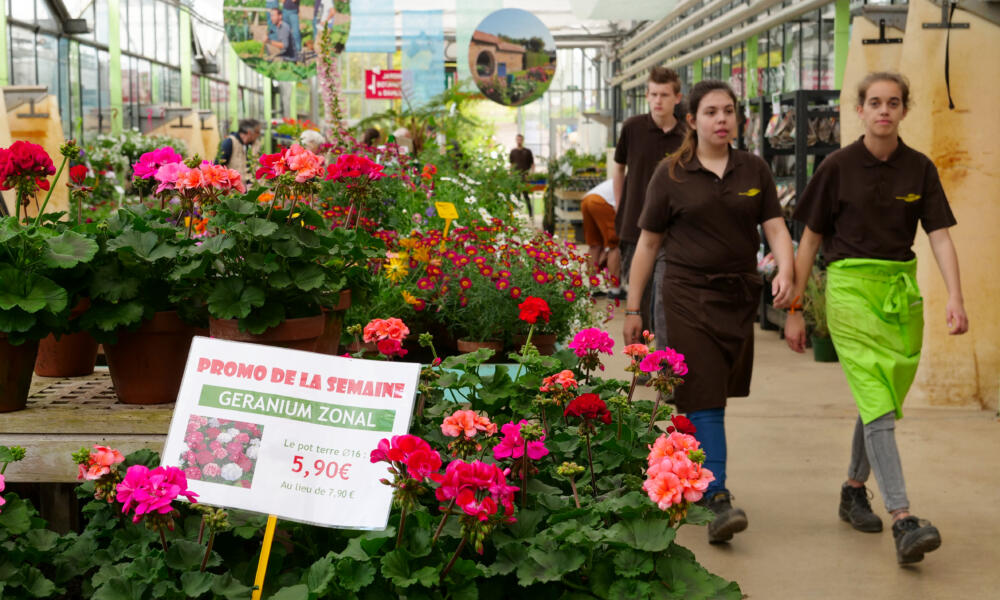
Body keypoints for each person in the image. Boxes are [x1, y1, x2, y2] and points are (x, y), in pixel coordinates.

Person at [783, 72, 968, 565]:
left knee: (881, 398)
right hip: (849, 293)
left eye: (893, 102)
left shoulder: (920, 169)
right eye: (874, 102)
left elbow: (941, 236)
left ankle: (851, 488)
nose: (883, 110)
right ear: (859, 110)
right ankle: (903, 517)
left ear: (904, 110)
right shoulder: (837, 167)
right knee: (878, 403)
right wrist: (796, 310)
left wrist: (955, 297)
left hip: (899, 295)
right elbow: (810, 241)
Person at [623, 80, 795, 544]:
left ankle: (679, 477)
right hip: (683, 296)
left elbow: (776, 228)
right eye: (712, 112)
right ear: (693, 120)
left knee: (711, 393)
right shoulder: (671, 174)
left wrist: (787, 270)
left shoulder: (753, 170)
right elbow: (649, 244)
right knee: (705, 398)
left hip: (737, 297)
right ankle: (717, 495)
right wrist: (634, 307)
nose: (722, 119)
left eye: (729, 111)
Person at [613, 67, 686, 342]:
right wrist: (621, 204)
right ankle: (640, 363)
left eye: (665, 95)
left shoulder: (686, 134)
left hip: (673, 230)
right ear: (647, 95)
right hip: (634, 225)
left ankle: (666, 364)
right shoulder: (632, 128)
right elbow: (618, 167)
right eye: (653, 94)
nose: (658, 100)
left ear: (677, 98)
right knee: (638, 297)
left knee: (665, 298)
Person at [579, 179, 623, 298]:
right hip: (602, 202)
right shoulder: (636, 183)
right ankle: (615, 290)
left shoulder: (625, 178)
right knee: (614, 245)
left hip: (587, 199)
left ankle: (593, 287)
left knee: (594, 245)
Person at [217, 119, 261, 185]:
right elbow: (218, 166)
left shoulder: (255, 144)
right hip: (233, 190)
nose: (259, 135)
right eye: (257, 132)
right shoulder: (230, 142)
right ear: (249, 132)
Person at [508, 134, 534, 217]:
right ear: (516, 140)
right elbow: (511, 165)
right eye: (517, 139)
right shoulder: (513, 152)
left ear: (523, 140)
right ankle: (516, 215)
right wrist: (511, 175)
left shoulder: (527, 151)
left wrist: (531, 175)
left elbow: (532, 164)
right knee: (516, 197)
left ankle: (531, 215)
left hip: (525, 178)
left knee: (526, 197)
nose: (519, 141)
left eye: (520, 140)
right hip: (516, 178)